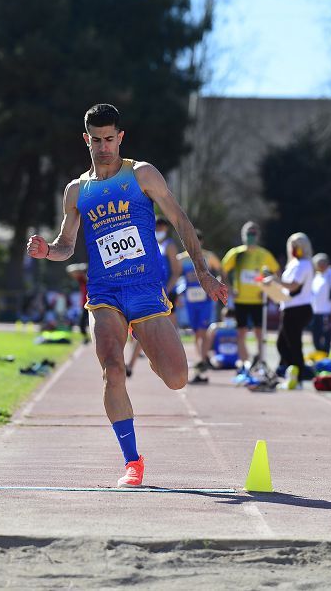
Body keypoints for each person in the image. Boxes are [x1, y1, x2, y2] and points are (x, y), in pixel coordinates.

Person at [26, 103, 228, 487]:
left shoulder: (141, 174)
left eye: (110, 139)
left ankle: (150, 347)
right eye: (96, 140)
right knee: (113, 370)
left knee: (177, 378)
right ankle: (132, 461)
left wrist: (203, 272)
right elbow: (67, 244)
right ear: (86, 140)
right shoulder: (76, 190)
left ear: (120, 137)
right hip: (104, 295)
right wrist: (46, 251)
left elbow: (180, 220)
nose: (104, 147)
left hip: (146, 291)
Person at [126, 217, 181, 376]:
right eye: (157, 227)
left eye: (162, 227)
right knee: (143, 329)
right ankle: (130, 365)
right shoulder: (145, 242)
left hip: (166, 293)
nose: (159, 230)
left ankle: (176, 365)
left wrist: (167, 290)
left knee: (173, 330)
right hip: (149, 293)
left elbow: (176, 271)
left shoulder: (169, 245)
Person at [222, 222, 279, 367]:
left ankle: (259, 361)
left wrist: (266, 289)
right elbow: (222, 270)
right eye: (248, 233)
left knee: (259, 334)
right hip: (240, 300)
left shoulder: (264, 254)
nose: (251, 236)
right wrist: (228, 287)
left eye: (253, 233)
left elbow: (276, 272)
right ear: (243, 235)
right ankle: (244, 362)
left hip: (258, 301)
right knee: (241, 333)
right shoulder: (236, 253)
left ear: (258, 235)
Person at [263, 232, 314, 386]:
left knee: (293, 345)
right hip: (290, 307)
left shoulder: (304, 264)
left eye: (297, 246)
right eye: (292, 246)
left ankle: (297, 377)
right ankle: (292, 373)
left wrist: (275, 280)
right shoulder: (293, 263)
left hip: (298, 309)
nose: (293, 249)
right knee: (283, 344)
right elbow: (287, 287)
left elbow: (293, 285)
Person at [176, 230, 223, 383]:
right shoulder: (181, 259)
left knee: (202, 331)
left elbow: (220, 270)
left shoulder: (208, 256)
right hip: (190, 300)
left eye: (198, 240)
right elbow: (177, 277)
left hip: (205, 301)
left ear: (201, 242)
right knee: (196, 333)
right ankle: (202, 358)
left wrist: (218, 285)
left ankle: (202, 361)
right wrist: (178, 295)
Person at [309, 253, 331, 354]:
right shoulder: (317, 276)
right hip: (316, 312)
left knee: (325, 340)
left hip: (327, 312)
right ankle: (319, 359)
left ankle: (325, 360)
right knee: (315, 338)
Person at [66, 263, 90, 343]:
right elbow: (70, 270)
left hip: (92, 304)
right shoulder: (81, 279)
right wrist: (80, 269)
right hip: (84, 305)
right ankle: (86, 338)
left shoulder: (89, 278)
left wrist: (83, 272)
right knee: (81, 324)